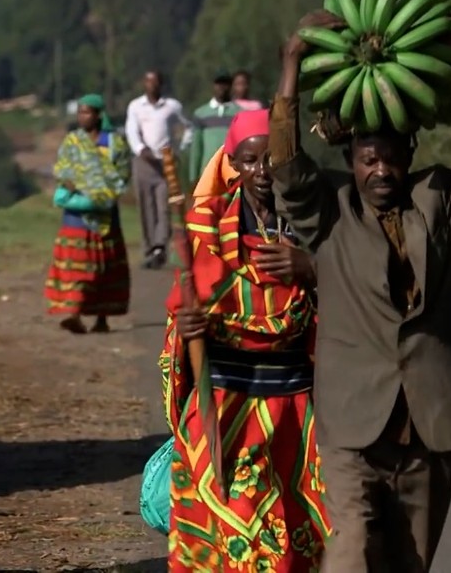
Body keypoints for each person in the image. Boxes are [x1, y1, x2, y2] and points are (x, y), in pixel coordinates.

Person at [267, 11, 451, 572]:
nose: (380, 171)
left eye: (390, 158)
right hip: (352, 430)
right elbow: (285, 168)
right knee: (352, 553)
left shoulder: (439, 202)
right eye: (367, 160)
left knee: (409, 564)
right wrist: (291, 68)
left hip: (428, 425)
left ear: (408, 156)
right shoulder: (329, 213)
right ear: (351, 164)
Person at [159, 108, 331, 572]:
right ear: (232, 162)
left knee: (300, 537)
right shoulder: (206, 224)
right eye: (249, 161)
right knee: (232, 530)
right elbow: (182, 313)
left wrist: (311, 273)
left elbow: (346, 303)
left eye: (271, 159)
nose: (262, 172)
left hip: (294, 409)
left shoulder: (313, 223)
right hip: (225, 403)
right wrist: (189, 331)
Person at [45, 93, 132, 334]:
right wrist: (71, 182)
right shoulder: (72, 141)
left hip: (105, 214)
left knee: (105, 265)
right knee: (76, 265)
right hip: (76, 214)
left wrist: (102, 193)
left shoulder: (115, 142)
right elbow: (62, 168)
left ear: (98, 115)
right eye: (80, 112)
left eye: (87, 112)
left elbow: (123, 173)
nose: (83, 117)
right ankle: (74, 313)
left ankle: (102, 318)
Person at [125, 70, 194, 270]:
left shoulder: (171, 106)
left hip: (165, 163)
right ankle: (148, 249)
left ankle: (159, 247)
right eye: (148, 81)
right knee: (146, 206)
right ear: (143, 84)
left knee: (163, 205)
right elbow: (131, 130)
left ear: (161, 84)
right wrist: (140, 148)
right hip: (144, 162)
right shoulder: (136, 106)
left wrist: (180, 150)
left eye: (155, 82)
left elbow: (188, 127)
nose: (151, 85)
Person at [187, 72, 243, 191]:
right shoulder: (201, 113)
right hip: (207, 172)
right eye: (219, 83)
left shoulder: (239, 113)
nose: (222, 87)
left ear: (231, 86)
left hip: (231, 173)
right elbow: (196, 148)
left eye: (226, 83)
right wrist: (193, 177)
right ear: (213, 86)